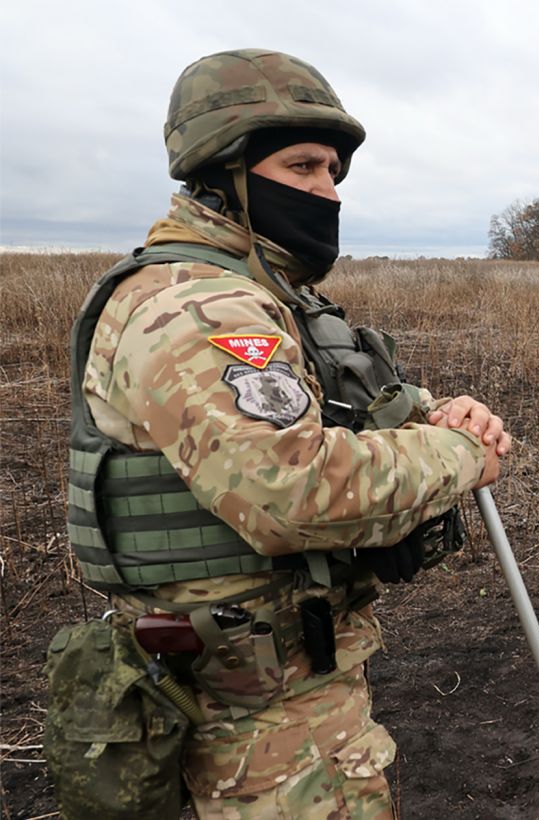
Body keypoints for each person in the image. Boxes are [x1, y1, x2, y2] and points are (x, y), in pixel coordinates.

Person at [60, 48, 509, 818]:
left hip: (284, 689)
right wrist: (463, 452)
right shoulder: (198, 309)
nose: (327, 192)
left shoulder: (257, 295)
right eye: (303, 167)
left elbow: (324, 410)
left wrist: (437, 412)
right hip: (250, 725)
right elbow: (292, 490)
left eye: (333, 172)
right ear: (222, 170)